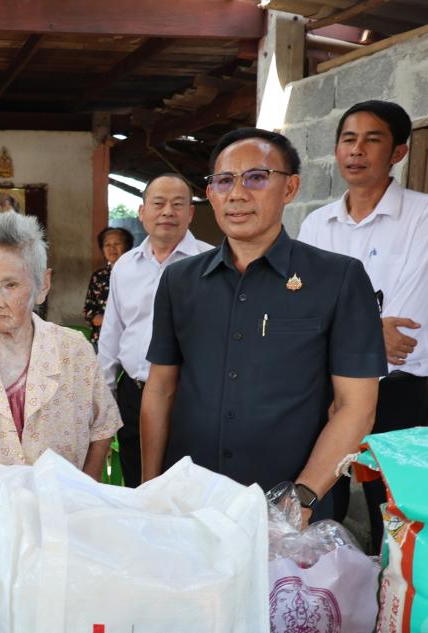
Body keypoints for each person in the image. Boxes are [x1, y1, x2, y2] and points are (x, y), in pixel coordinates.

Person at [141, 128, 385, 526]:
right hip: (188, 501)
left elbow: (356, 407)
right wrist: (150, 487)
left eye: (256, 177)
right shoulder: (179, 281)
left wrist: (302, 497)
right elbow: (161, 388)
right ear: (211, 194)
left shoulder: (338, 278)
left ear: (290, 188)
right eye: (224, 181)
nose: (237, 194)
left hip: (292, 510)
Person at [0, 212, 121, 573]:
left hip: (63, 538)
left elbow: (103, 426)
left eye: (10, 285)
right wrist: (26, 507)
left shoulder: (74, 351)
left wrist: (84, 488)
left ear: (42, 285)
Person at [297, 100, 428, 550]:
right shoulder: (317, 224)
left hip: (403, 393)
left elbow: (403, 331)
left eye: (372, 140)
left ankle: (395, 589)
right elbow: (303, 310)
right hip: (329, 387)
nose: (357, 150)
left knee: (396, 513)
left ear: (398, 152)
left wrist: (342, 331)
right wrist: (371, 331)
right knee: (321, 502)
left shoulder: (422, 216)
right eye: (348, 139)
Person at [97, 176, 210, 487]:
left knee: (188, 488)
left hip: (190, 396)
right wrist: (105, 395)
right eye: (158, 203)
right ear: (142, 212)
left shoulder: (211, 263)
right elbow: (112, 333)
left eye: (178, 204)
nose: (167, 212)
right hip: (134, 393)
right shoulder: (125, 265)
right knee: (139, 485)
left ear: (190, 213)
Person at [84, 226, 134, 345]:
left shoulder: (136, 274)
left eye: (117, 243)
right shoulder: (98, 276)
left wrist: (109, 320)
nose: (112, 248)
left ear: (127, 247)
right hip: (101, 339)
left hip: (130, 340)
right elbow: (89, 310)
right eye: (107, 244)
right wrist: (109, 321)